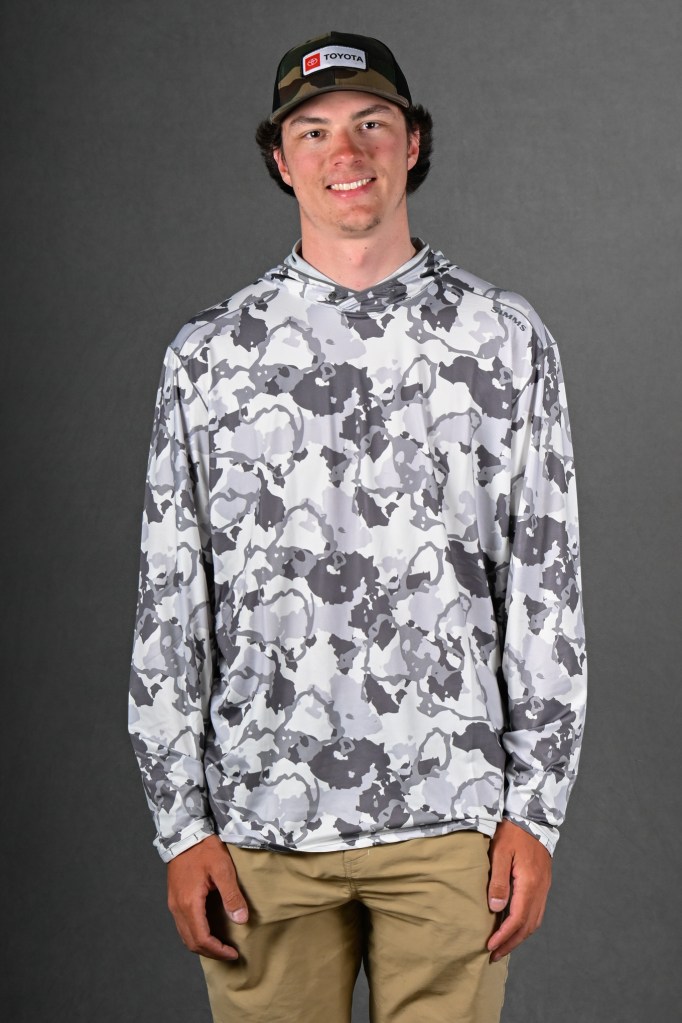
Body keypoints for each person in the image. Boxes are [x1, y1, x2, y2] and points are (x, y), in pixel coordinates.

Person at [129, 30, 587, 1023]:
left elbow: (544, 590)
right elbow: (171, 598)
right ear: (279, 157)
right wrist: (182, 828)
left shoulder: (503, 340)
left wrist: (535, 813)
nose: (346, 153)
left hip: (451, 822)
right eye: (314, 131)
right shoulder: (210, 356)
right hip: (260, 826)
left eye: (372, 124)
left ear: (412, 143)